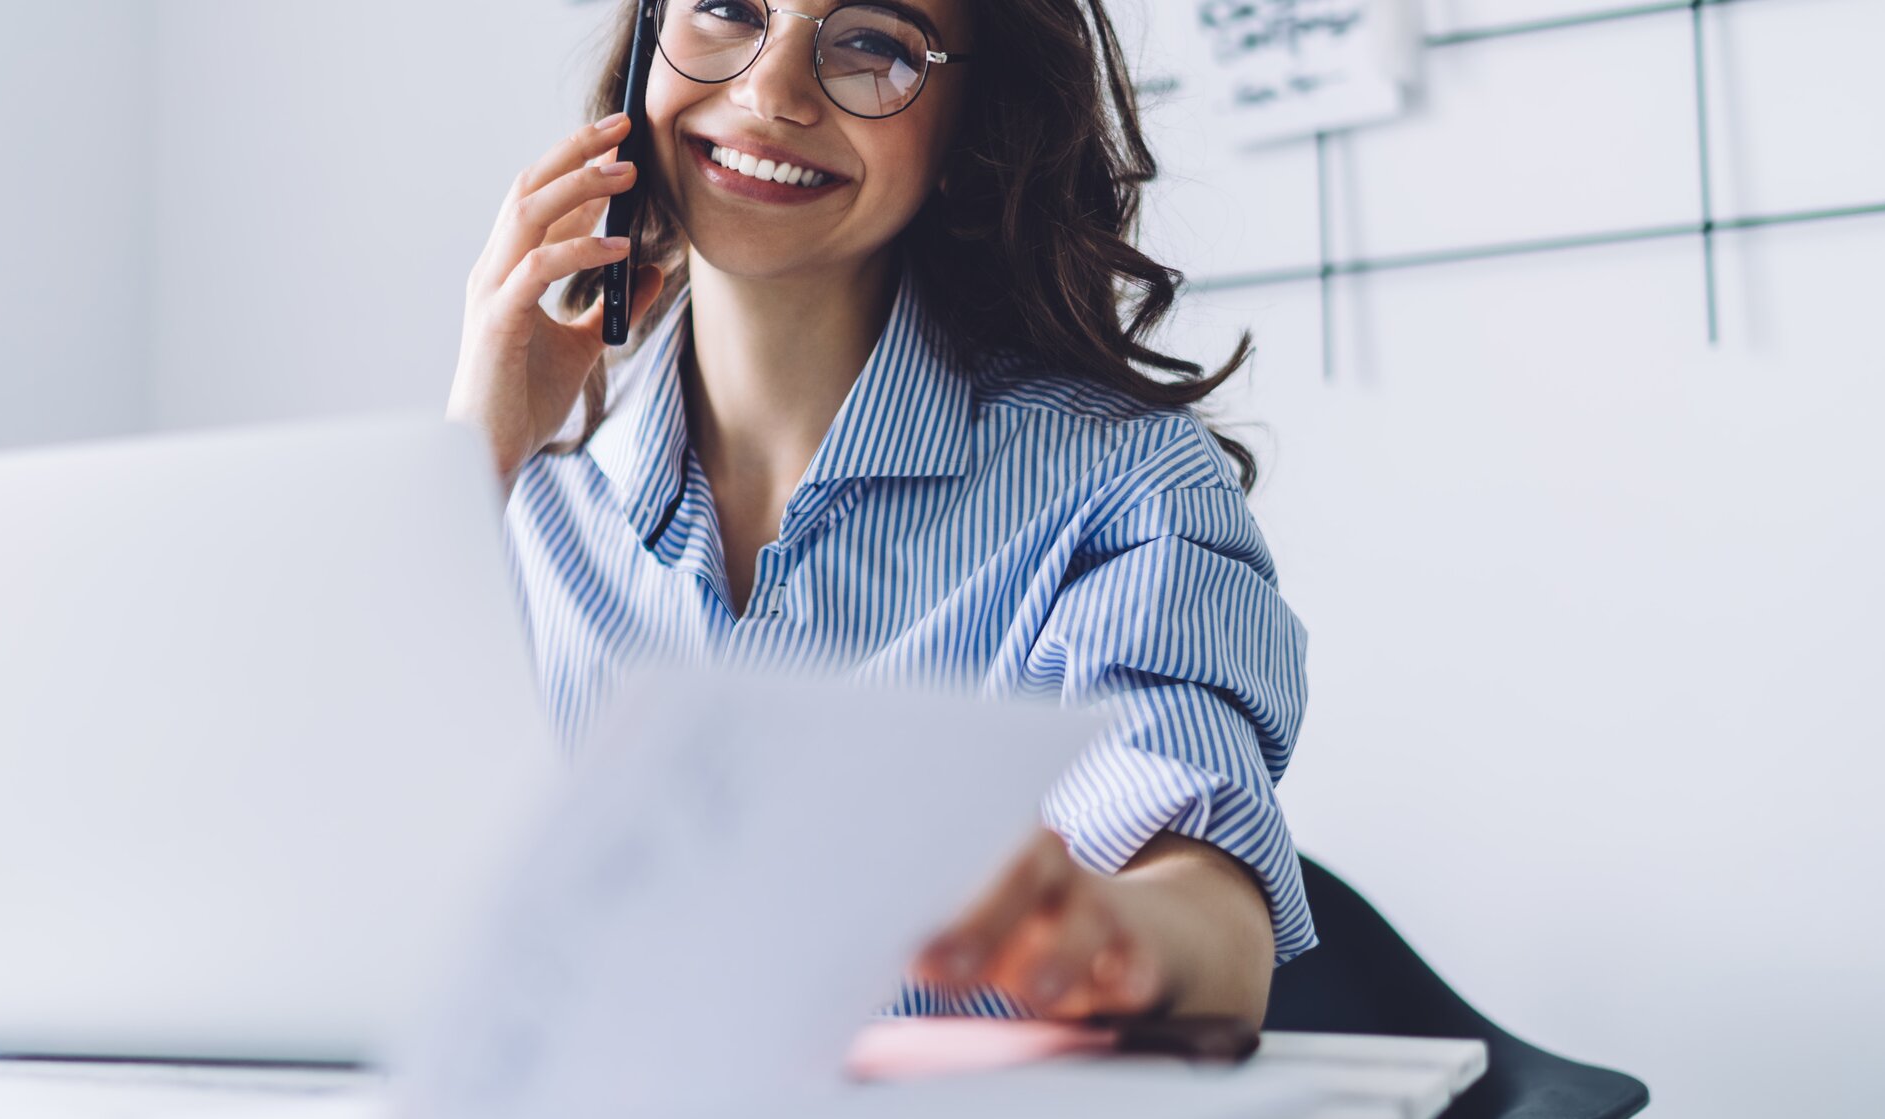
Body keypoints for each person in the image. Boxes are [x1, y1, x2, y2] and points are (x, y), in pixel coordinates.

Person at [446, 0, 1310, 1022]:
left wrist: (1106, 937)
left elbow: (1207, 907)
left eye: (871, 45)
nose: (770, 93)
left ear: (967, 128)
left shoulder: (1125, 489)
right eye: (727, 7)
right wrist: (465, 468)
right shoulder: (510, 486)